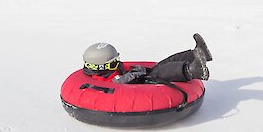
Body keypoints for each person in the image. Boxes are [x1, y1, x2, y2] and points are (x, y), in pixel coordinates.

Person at [82, 34, 213, 84]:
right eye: (113, 63)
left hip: (138, 77)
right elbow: (118, 83)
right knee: (159, 73)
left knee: (163, 64)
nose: (118, 64)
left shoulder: (111, 70)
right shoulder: (102, 79)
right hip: (139, 86)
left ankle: (197, 53)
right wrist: (135, 74)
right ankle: (192, 70)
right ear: (100, 67)